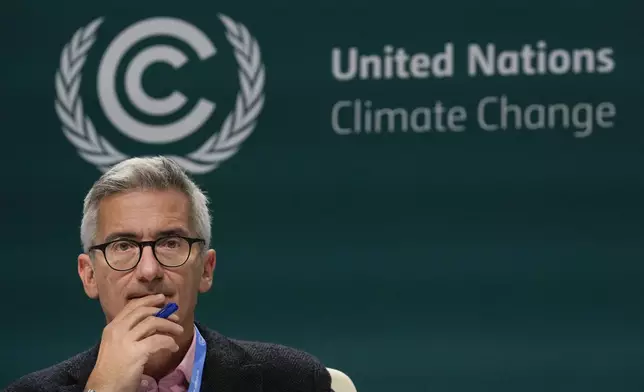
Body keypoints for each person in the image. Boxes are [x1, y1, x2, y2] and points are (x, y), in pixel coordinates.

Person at [5, 156, 333, 392]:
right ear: (89, 275)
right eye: (123, 246)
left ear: (206, 269)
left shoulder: (294, 380)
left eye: (170, 243)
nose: (149, 271)